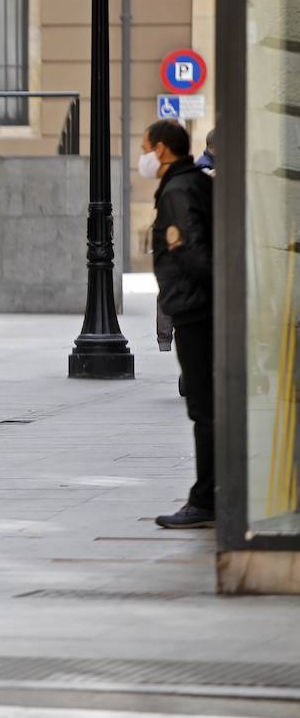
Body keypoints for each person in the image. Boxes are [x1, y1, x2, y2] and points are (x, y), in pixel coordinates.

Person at [141, 120, 215, 529]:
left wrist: (202, 290)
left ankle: (205, 500)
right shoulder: (197, 182)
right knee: (208, 406)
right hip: (200, 304)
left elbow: (191, 252)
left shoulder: (177, 190)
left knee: (203, 407)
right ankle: (213, 494)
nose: (144, 157)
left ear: (163, 149)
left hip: (194, 308)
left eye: (145, 147)